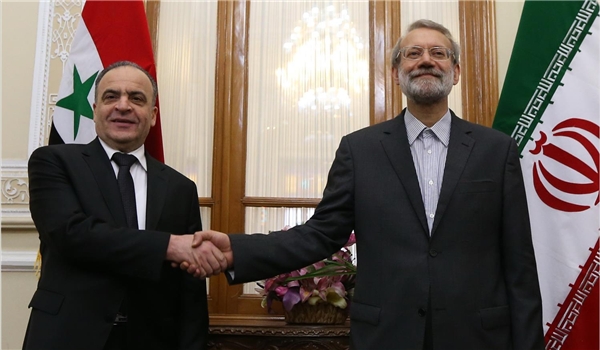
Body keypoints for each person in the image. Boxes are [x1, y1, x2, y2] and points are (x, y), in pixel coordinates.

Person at [190, 19, 545, 349]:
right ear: (395, 73)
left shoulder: (496, 150)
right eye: (413, 53)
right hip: (386, 336)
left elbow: (520, 265)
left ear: (456, 73)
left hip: (478, 338)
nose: (426, 60)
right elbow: (320, 235)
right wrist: (237, 250)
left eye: (438, 53)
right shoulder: (359, 150)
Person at [23, 61, 226, 350]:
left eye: (136, 98)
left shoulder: (181, 188)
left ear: (153, 115)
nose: (123, 106)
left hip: (152, 340)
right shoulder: (53, 162)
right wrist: (169, 245)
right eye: (111, 96)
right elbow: (71, 234)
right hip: (68, 336)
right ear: (94, 110)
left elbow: (189, 289)